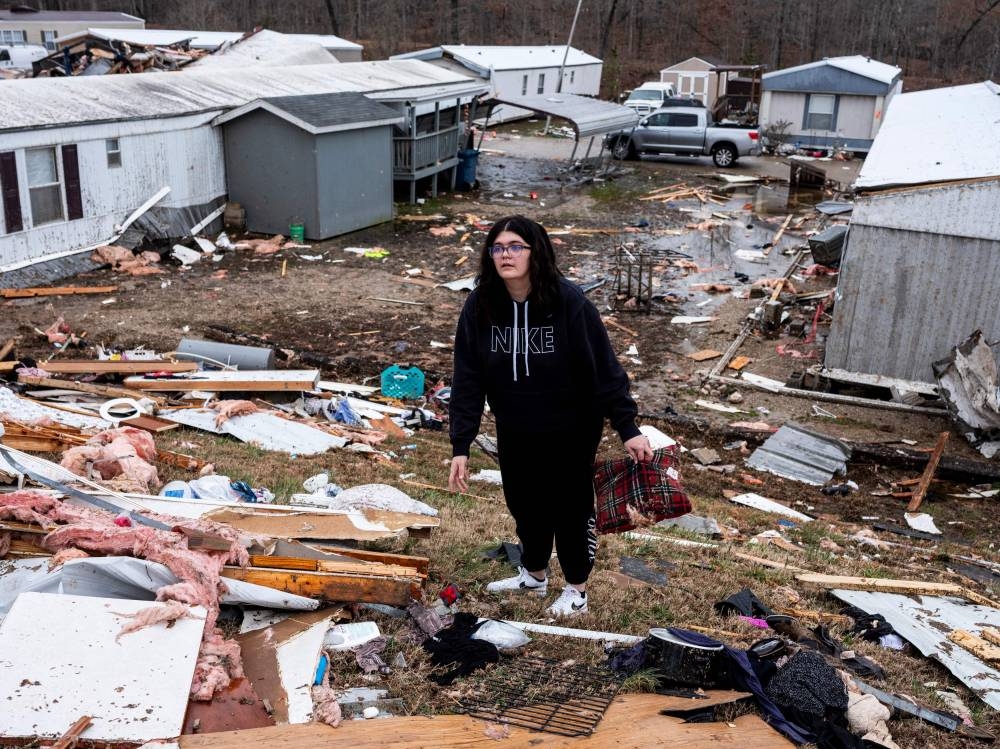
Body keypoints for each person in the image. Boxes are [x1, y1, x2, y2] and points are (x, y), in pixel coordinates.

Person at [448, 215, 652, 618]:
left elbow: (605, 369)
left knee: (569, 505)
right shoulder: (481, 304)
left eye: (515, 247)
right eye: (498, 248)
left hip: (571, 426)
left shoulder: (568, 301)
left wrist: (627, 426)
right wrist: (462, 443)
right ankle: (534, 573)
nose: (505, 255)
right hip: (515, 424)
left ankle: (576, 589)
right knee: (524, 501)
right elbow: (468, 375)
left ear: (534, 251)